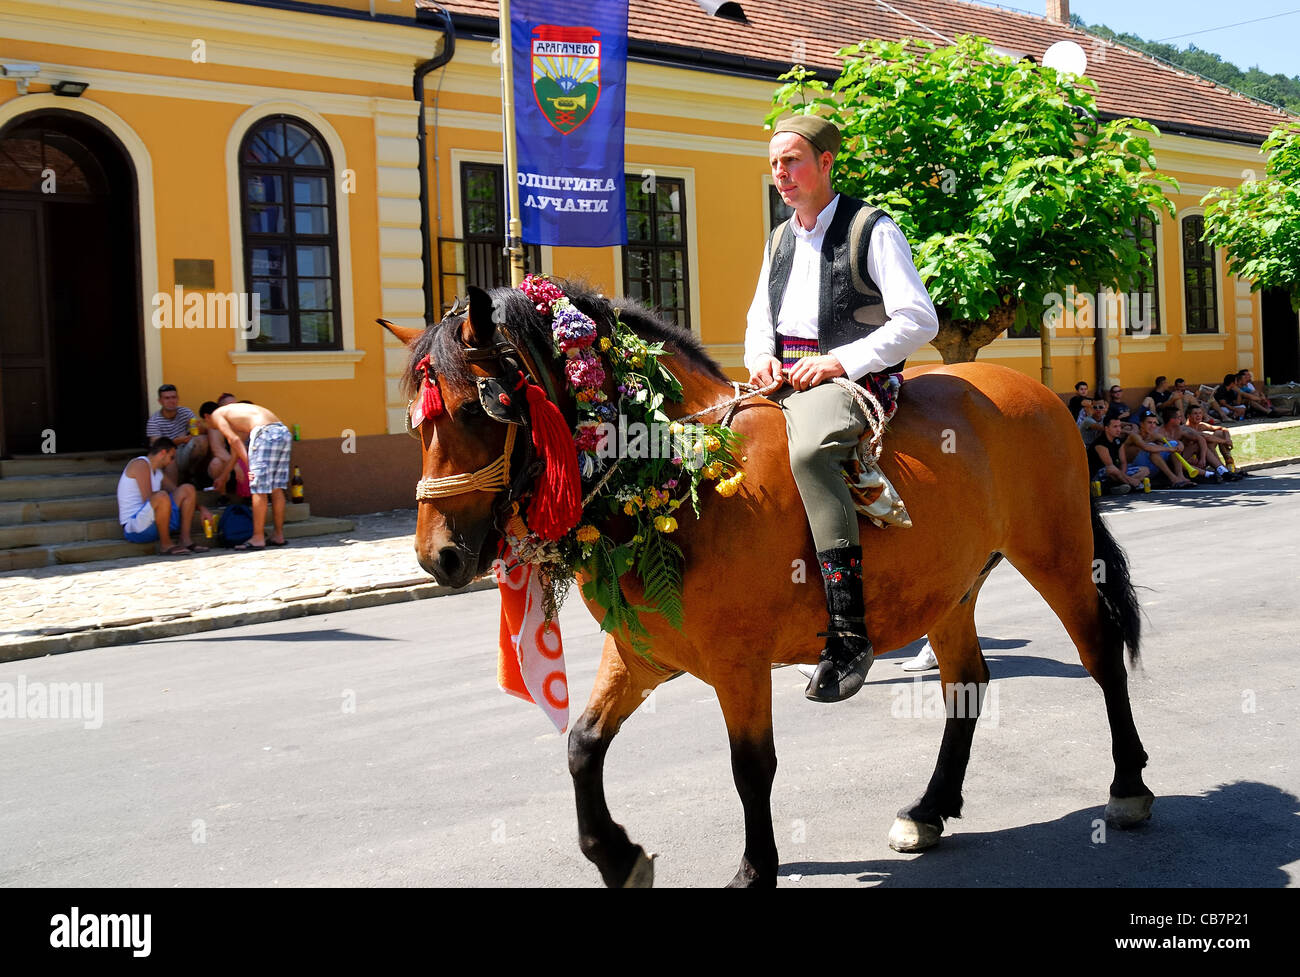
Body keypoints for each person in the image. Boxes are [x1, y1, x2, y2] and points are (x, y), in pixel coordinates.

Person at [746, 114, 939, 703]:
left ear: (826, 163)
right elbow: (761, 316)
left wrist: (839, 362)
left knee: (807, 452)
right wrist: (761, 358)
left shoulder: (870, 229)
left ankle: (851, 633)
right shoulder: (780, 237)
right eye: (776, 163)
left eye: (793, 161)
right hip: (787, 376)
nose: (782, 174)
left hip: (856, 379)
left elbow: (918, 320)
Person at [205, 402, 292, 549]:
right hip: (282, 432)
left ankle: (257, 538)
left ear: (207, 417)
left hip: (265, 434)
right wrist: (223, 476)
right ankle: (278, 535)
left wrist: (250, 467)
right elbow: (235, 450)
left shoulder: (217, 415)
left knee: (259, 489)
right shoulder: (237, 415)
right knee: (276, 488)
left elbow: (234, 440)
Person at [117, 437, 211, 555]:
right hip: (134, 527)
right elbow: (149, 498)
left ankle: (185, 540)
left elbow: (177, 491)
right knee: (161, 496)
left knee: (188, 489)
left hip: (151, 520)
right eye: (171, 457)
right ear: (163, 453)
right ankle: (165, 545)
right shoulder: (140, 464)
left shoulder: (158, 472)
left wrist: (201, 508)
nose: (172, 462)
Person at [146, 384, 208, 486]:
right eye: (167, 398)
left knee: (203, 440)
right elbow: (156, 446)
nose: (171, 401)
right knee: (168, 455)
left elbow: (199, 432)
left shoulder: (185, 412)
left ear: (178, 398)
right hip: (168, 455)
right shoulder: (154, 421)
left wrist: (200, 428)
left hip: (185, 451)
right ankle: (176, 488)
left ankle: (193, 474)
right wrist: (178, 440)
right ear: (160, 401)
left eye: (173, 397)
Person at [1124, 413, 1197, 489]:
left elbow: (1173, 442)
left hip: (1151, 469)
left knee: (1173, 444)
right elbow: (1146, 447)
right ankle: (1173, 479)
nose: (1153, 426)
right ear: (1141, 424)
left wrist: (1180, 444)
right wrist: (1169, 449)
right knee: (1153, 447)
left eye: (1154, 423)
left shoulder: (1154, 435)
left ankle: (1180, 476)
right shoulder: (1134, 436)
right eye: (1149, 423)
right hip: (1136, 469)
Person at [199, 401, 252, 499]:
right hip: (228, 465)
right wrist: (236, 466)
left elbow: (238, 445)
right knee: (216, 463)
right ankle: (223, 495)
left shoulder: (235, 422)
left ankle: (252, 495)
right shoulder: (215, 425)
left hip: (240, 460)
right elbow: (217, 449)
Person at [1088, 416, 1149, 495]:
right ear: (1106, 428)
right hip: (1099, 475)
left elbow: (1123, 462)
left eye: (1120, 426)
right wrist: (1131, 480)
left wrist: (1123, 476)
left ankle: (1119, 486)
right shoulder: (1100, 443)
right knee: (1112, 469)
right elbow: (1109, 465)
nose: (1119, 429)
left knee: (1145, 470)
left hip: (1117, 475)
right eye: (1115, 427)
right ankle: (1132, 485)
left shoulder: (1118, 441)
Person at [1185, 404, 1244, 478]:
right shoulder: (1186, 429)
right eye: (1195, 413)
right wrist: (1225, 441)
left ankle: (1229, 462)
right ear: (1188, 416)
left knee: (1219, 433)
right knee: (1206, 442)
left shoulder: (1201, 425)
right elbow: (1206, 437)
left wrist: (1228, 439)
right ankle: (1223, 470)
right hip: (1193, 459)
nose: (1198, 416)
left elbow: (1223, 429)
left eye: (1200, 413)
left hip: (1205, 457)